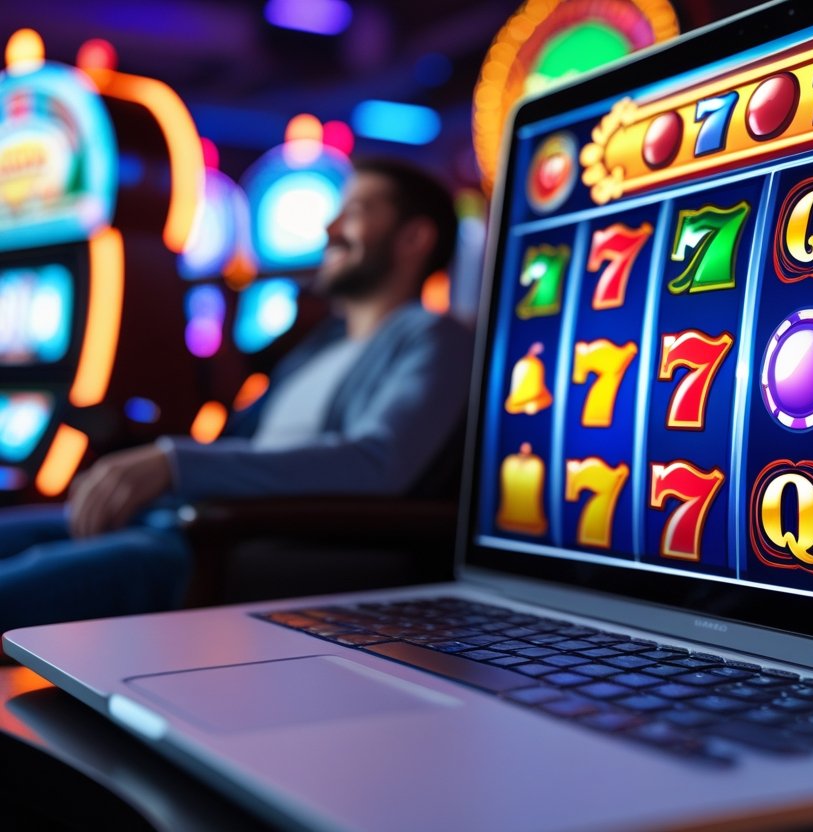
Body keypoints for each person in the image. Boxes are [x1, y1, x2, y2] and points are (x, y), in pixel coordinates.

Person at [0, 158, 472, 634]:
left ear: (415, 238)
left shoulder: (435, 336)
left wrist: (175, 464)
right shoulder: (319, 345)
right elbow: (235, 440)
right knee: (21, 534)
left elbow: (379, 463)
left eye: (355, 212)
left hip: (241, 543)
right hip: (186, 523)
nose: (329, 228)